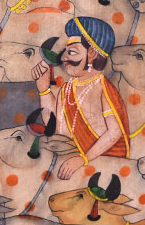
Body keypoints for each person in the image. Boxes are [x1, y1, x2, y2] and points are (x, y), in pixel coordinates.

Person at [32, 16, 132, 179]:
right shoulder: (67, 88)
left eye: (72, 52)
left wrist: (83, 159)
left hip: (105, 170)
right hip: (75, 167)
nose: (63, 58)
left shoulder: (103, 88)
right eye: (65, 51)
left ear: (91, 53)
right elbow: (57, 129)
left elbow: (114, 133)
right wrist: (44, 90)